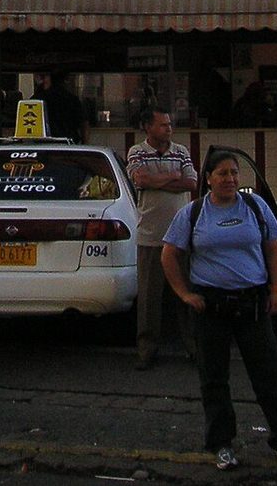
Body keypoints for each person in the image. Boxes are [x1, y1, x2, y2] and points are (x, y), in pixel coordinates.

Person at [160, 149, 277, 468]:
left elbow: (273, 248)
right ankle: (221, 444)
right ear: (209, 178)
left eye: (234, 173)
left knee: (268, 375)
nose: (230, 179)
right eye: (222, 173)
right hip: (211, 306)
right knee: (214, 378)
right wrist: (184, 294)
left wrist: (276, 290)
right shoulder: (193, 213)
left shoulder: (255, 206)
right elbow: (169, 254)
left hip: (252, 303)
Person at [126, 108, 197, 369]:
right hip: (151, 236)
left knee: (186, 293)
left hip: (181, 237)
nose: (168, 129)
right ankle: (147, 350)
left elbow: (191, 183)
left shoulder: (181, 151)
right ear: (148, 127)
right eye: (163, 125)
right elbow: (140, 179)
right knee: (149, 298)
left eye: (169, 124)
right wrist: (172, 176)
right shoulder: (137, 152)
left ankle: (194, 347)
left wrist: (158, 181)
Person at [36, 72, 88, 142]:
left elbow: (84, 124)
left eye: (44, 76)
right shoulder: (71, 99)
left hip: (44, 144)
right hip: (68, 144)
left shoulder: (37, 99)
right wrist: (84, 144)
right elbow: (84, 124)